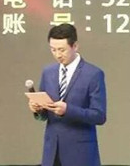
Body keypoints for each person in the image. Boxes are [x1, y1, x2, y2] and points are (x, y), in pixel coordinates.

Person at [29, 23, 107, 166]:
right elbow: (44, 116)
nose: (57, 55)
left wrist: (68, 110)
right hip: (52, 152)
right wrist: (38, 110)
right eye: (53, 49)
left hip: (80, 153)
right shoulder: (48, 72)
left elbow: (99, 116)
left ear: (75, 46)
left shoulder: (93, 74)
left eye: (62, 50)